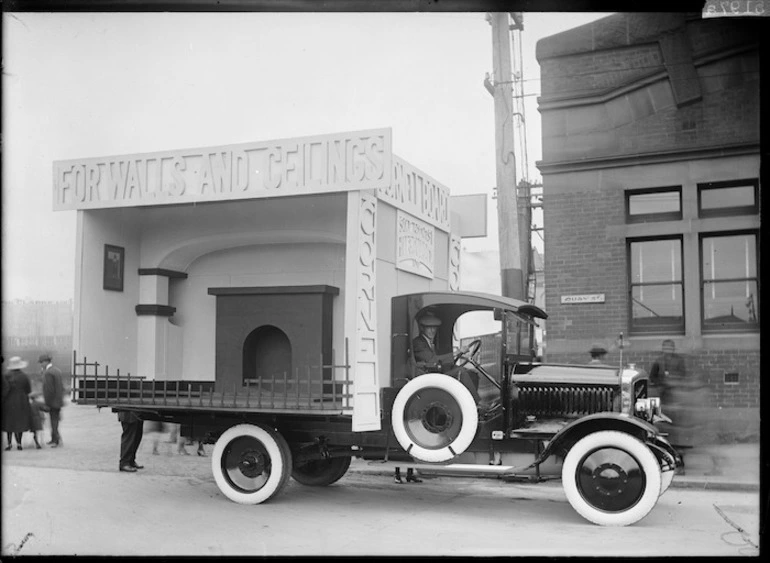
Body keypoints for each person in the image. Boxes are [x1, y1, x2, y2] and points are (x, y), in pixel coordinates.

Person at [411, 311, 480, 403]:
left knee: (471, 372)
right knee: (461, 372)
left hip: (433, 373)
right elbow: (432, 360)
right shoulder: (418, 343)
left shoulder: (429, 343)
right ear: (422, 328)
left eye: (434, 327)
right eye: (429, 327)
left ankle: (468, 402)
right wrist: (458, 352)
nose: (432, 330)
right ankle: (476, 403)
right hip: (427, 378)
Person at [2, 357, 33, 450]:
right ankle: (19, 443)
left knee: (9, 422)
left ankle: (9, 443)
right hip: (21, 401)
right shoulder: (24, 376)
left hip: (8, 401)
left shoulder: (6, 375)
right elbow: (28, 390)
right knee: (19, 422)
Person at [39, 354, 64, 447]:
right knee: (55, 420)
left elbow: (49, 389)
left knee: (53, 421)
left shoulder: (48, 373)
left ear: (46, 362)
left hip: (52, 401)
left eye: (41, 362)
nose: (41, 365)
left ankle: (56, 440)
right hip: (58, 400)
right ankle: (55, 438)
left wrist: (47, 403)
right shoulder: (57, 370)